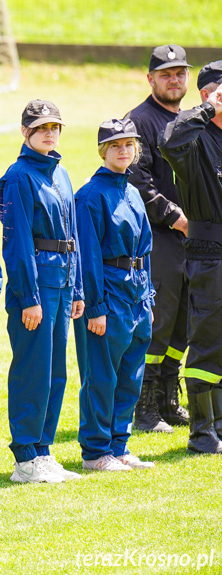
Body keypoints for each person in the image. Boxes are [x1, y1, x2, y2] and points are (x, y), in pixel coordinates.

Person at [0, 100, 85, 484]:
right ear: (25, 132)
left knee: (55, 371)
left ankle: (43, 450)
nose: (49, 133)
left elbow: (73, 234)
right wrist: (28, 296)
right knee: (33, 369)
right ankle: (26, 456)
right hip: (37, 286)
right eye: (41, 127)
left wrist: (77, 286)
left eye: (54, 127)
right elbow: (16, 243)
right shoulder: (18, 176)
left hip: (62, 282)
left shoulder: (60, 173)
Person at [74, 119, 156, 472]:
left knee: (131, 373)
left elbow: (146, 250)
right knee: (102, 375)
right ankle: (95, 451)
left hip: (136, 294)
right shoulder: (90, 196)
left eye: (129, 145)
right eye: (116, 145)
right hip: (108, 292)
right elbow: (87, 257)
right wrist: (96, 307)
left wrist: (148, 299)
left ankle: (119, 445)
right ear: (103, 151)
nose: (124, 151)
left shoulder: (133, 192)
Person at [125, 45, 192, 433]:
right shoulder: (138, 122)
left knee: (183, 324)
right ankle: (144, 407)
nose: (173, 80)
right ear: (150, 79)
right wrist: (176, 217)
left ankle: (168, 400)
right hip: (158, 239)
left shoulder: (189, 120)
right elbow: (139, 184)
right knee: (157, 324)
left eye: (180, 73)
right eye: (166, 74)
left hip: (192, 239)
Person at [159, 61, 222, 454]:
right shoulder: (195, 139)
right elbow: (169, 142)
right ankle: (203, 433)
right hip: (209, 254)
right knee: (207, 344)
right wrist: (207, 109)